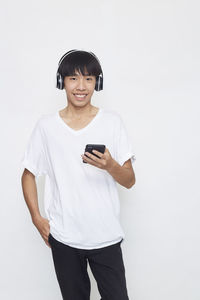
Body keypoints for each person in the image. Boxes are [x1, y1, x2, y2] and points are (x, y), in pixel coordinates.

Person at [21, 49, 136, 300]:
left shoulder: (113, 122)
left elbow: (129, 180)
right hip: (64, 238)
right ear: (62, 82)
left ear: (98, 82)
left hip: (106, 236)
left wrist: (110, 166)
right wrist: (36, 218)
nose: (81, 86)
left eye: (88, 79)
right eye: (73, 78)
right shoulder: (46, 127)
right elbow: (28, 173)